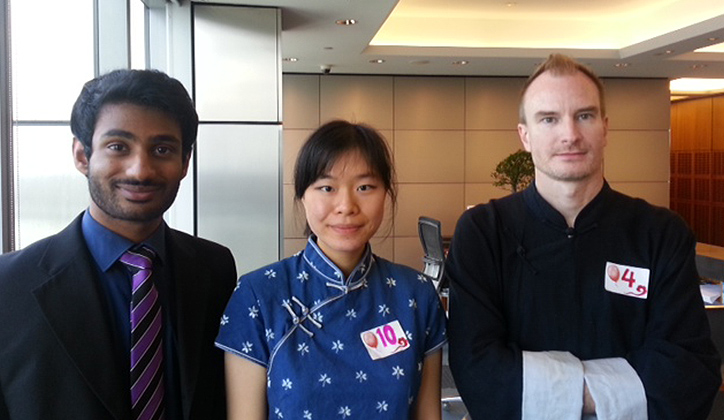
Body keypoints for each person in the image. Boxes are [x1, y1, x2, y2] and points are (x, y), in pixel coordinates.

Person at [446, 54, 722, 419]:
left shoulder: (661, 232)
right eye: (549, 119)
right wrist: (619, 388)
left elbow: (689, 370)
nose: (570, 135)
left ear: (605, 128)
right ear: (525, 136)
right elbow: (479, 372)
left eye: (585, 116)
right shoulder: (484, 231)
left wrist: (548, 389)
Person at [0, 69, 237, 420]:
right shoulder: (9, 285)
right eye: (118, 147)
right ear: (82, 155)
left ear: (185, 162)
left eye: (162, 149)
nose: (140, 170)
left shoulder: (215, 269)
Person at [215, 120, 447, 419]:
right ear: (302, 196)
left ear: (386, 195)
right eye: (327, 187)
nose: (346, 205)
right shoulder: (259, 295)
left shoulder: (415, 294)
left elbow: (427, 415)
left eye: (365, 187)